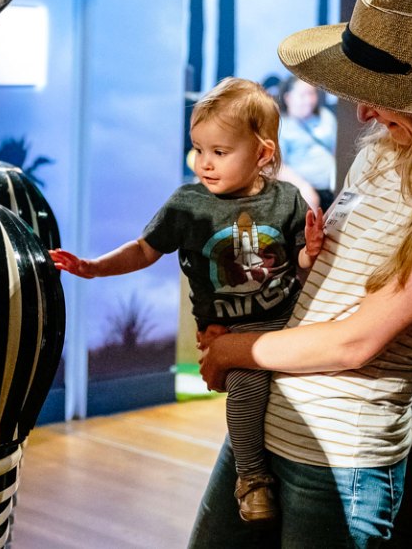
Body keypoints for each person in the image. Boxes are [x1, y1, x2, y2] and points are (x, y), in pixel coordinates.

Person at [189, 0, 412, 548]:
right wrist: (301, 264)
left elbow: (358, 341)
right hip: (265, 430)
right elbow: (332, 297)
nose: (364, 110)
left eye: (380, 94)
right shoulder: (381, 151)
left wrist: (234, 350)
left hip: (339, 460)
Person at [49, 77, 324, 525]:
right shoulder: (187, 204)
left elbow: (298, 262)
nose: (204, 163)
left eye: (219, 152)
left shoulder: (288, 199)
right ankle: (252, 477)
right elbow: (144, 248)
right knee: (247, 390)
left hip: (287, 320)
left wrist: (310, 251)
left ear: (263, 154)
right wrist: (95, 266)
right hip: (233, 333)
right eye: (198, 149)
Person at [276, 75, 338, 210]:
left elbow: (337, 152)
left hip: (335, 190)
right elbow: (277, 166)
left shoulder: (326, 117)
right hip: (307, 194)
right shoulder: (281, 125)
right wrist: (303, 187)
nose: (309, 100)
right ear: (288, 98)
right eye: (303, 95)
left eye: (312, 94)